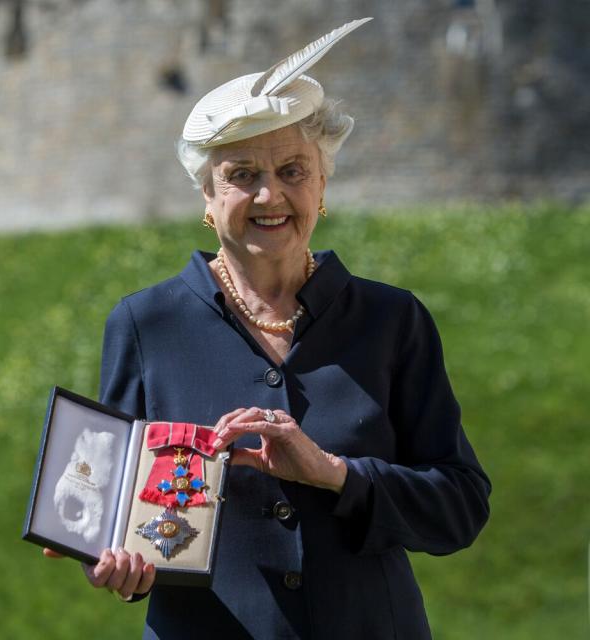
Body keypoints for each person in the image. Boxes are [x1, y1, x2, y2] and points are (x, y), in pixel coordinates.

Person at [45, 18, 490, 639]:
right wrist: (114, 562)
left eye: (292, 171)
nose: (268, 195)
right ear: (206, 195)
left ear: (323, 186)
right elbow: (112, 517)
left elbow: (460, 508)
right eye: (241, 174)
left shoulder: (393, 320)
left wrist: (335, 473)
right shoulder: (146, 324)